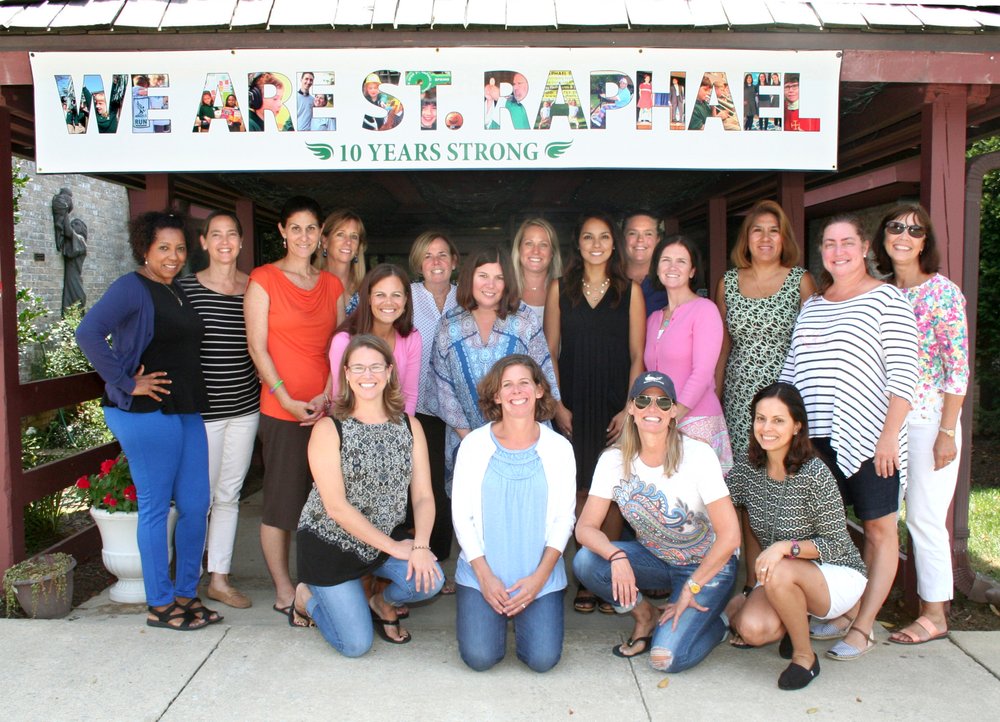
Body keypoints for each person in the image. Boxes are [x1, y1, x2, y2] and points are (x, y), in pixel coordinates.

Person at [781, 213, 919, 661]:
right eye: (829, 243)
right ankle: (843, 609)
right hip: (815, 440)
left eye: (846, 242)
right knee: (827, 529)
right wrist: (781, 426)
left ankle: (863, 625)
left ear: (864, 249)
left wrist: (888, 437)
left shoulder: (887, 300)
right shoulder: (814, 305)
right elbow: (792, 370)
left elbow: (905, 377)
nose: (837, 251)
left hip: (870, 437)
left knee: (879, 530)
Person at [76, 211, 220, 631]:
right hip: (146, 411)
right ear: (145, 249)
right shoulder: (130, 287)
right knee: (156, 507)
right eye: (164, 248)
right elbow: (88, 333)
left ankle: (185, 593)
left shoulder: (176, 289)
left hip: (185, 407)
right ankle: (160, 604)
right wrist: (124, 382)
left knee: (196, 505)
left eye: (180, 249)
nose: (173, 256)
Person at [573, 371, 740, 672]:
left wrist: (692, 587)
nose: (653, 408)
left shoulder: (698, 455)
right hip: (656, 558)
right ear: (631, 408)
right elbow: (585, 528)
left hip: (707, 566)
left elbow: (730, 536)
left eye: (663, 402)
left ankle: (718, 624)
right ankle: (645, 615)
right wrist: (616, 555)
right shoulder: (613, 460)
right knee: (587, 562)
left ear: (673, 411)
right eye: (643, 401)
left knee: (665, 658)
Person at [294, 335, 444, 653]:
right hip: (331, 543)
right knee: (355, 645)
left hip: (383, 536)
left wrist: (420, 546)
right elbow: (336, 507)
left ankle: (381, 601)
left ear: (389, 372)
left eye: (376, 367)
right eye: (359, 367)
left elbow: (423, 496)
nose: (368, 375)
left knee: (432, 580)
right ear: (346, 374)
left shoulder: (410, 426)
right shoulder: (328, 429)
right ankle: (307, 599)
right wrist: (394, 547)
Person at [726, 383, 867, 690]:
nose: (767, 428)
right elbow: (721, 504)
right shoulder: (748, 470)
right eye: (761, 419)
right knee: (752, 629)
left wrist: (784, 548)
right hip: (780, 572)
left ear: (797, 426)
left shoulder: (815, 473)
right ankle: (794, 623)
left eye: (778, 420)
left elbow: (836, 544)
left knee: (781, 569)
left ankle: (805, 657)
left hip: (835, 571)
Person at [873, 204, 969, 645]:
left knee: (926, 518)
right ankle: (868, 603)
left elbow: (957, 370)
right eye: (896, 227)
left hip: (930, 422)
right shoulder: (880, 293)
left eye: (915, 230)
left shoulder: (943, 293)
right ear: (884, 236)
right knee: (881, 516)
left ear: (925, 241)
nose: (904, 236)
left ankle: (934, 613)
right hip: (884, 423)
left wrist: (947, 432)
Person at [245, 195, 345, 616]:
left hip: (326, 410)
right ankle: (285, 590)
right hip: (282, 410)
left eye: (311, 228)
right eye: (296, 228)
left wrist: (327, 394)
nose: (304, 236)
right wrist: (285, 398)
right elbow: (257, 347)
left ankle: (318, 582)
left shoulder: (332, 285)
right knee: (281, 503)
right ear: (283, 232)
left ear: (320, 234)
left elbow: (339, 347)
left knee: (326, 502)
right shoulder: (264, 279)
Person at [544, 212, 645, 614]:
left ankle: (607, 577)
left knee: (613, 491)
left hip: (614, 403)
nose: (597, 244)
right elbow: (550, 352)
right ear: (578, 243)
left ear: (613, 244)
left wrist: (629, 408)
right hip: (572, 400)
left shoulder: (630, 291)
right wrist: (556, 404)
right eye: (589, 237)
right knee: (579, 489)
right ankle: (586, 579)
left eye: (604, 237)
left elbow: (637, 355)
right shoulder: (559, 288)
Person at [452, 355, 576, 672]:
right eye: (507, 385)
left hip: (537, 576)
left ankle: (530, 611)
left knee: (543, 660)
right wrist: (485, 577)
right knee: (480, 658)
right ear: (496, 395)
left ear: (539, 390)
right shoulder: (474, 445)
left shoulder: (559, 448)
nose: (516, 391)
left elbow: (564, 519)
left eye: (524, 383)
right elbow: (462, 516)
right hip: (483, 574)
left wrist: (539, 579)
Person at [177, 211, 260, 609]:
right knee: (199, 498)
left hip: (245, 408)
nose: (224, 242)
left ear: (241, 242)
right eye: (216, 235)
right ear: (204, 242)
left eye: (231, 235)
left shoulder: (255, 287)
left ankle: (220, 579)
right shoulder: (185, 289)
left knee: (229, 495)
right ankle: (187, 580)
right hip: (202, 412)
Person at [428, 247, 560, 491]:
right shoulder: (449, 323)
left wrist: (513, 439)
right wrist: (473, 440)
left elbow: (542, 378)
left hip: (523, 442)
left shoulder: (525, 321)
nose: (490, 284)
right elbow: (441, 387)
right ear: (470, 278)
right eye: (483, 276)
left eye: (499, 277)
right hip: (466, 440)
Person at [715, 200, 816, 459]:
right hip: (739, 394)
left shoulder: (801, 280)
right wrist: (715, 397)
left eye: (774, 230)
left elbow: (812, 345)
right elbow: (723, 346)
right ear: (746, 238)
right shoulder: (728, 283)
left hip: (786, 392)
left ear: (784, 238)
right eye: (757, 230)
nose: (765, 238)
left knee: (784, 464)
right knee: (744, 464)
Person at [644, 235, 733, 473]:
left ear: (693, 270)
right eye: (666, 260)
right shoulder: (653, 318)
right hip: (662, 423)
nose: (672, 267)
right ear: (657, 268)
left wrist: (673, 415)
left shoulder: (705, 310)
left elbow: (702, 373)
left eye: (681, 261)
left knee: (698, 495)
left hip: (697, 422)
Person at [409, 232, 461, 575]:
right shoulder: (408, 296)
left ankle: (448, 556)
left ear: (454, 262)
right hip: (419, 408)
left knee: (458, 484)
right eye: (428, 256)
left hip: (460, 408)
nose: (436, 262)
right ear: (419, 264)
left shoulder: (467, 296)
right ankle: (429, 557)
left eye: (442, 254)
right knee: (426, 484)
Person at [329, 264, 422, 415]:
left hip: (396, 423)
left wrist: (403, 428)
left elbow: (409, 396)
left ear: (406, 299)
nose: (388, 302)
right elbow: (340, 398)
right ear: (368, 298)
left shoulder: (411, 337)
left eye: (396, 295)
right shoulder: (343, 341)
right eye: (380, 295)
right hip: (351, 424)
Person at [316, 209, 367, 316]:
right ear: (325, 241)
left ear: (358, 248)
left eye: (354, 237)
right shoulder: (309, 284)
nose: (348, 242)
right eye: (340, 234)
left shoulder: (366, 291)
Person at [511, 218, 562, 321]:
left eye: (543, 245)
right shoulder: (503, 291)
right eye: (529, 243)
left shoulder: (565, 294)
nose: (536, 251)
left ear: (552, 252)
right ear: (519, 249)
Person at [623, 210, 667, 315]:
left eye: (648, 234)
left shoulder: (669, 282)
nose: (640, 240)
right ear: (622, 238)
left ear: (658, 240)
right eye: (633, 233)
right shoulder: (608, 279)